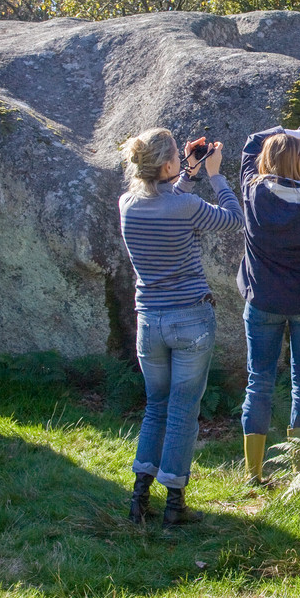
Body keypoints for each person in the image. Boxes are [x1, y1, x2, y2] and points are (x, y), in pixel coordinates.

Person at [119, 128, 242, 527]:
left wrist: (186, 172)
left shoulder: (127, 204)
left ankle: (139, 496)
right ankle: (174, 504)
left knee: (156, 406)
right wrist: (216, 174)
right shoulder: (186, 205)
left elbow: (165, 198)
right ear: (167, 164)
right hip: (190, 317)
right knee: (183, 411)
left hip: (149, 320)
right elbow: (233, 220)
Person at [237, 124, 300, 484]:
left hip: (262, 300)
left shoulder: (251, 193)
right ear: (299, 164)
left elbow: (250, 142)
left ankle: (253, 473)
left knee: (258, 381)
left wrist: (295, 132)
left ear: (267, 159)